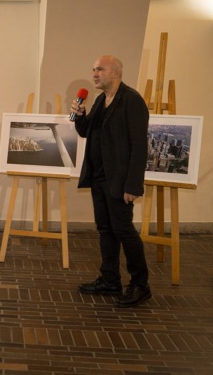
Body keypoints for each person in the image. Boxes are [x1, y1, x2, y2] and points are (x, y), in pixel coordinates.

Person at [71, 55, 151, 308]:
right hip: (99, 176)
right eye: (93, 69)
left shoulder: (132, 100)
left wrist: (133, 185)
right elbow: (86, 132)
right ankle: (110, 279)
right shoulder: (99, 100)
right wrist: (81, 116)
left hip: (119, 180)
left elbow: (140, 146)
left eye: (99, 70)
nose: (94, 74)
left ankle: (140, 285)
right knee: (106, 229)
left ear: (115, 72)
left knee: (124, 230)